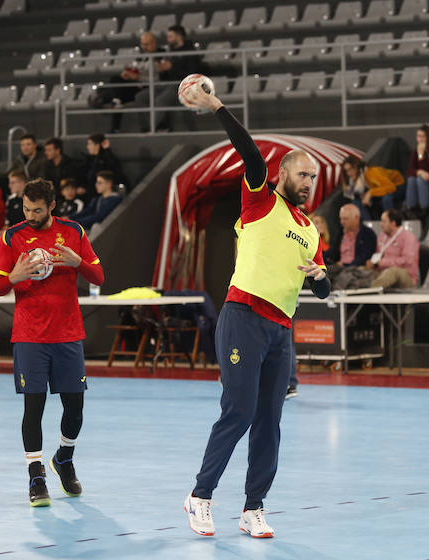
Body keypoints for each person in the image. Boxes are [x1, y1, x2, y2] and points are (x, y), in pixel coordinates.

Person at [180, 83, 330, 539]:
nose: (308, 183)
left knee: (270, 422)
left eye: (312, 178)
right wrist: (217, 106)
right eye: (302, 175)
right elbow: (249, 152)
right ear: (283, 173)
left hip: (280, 330)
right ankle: (200, 496)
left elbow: (323, 290)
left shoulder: (310, 231)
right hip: (243, 317)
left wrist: (321, 279)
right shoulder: (260, 199)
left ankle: (253, 508)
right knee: (238, 411)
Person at [0, 178, 104, 506]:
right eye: (25, 208)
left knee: (75, 408)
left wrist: (76, 262)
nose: (29, 214)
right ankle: (36, 476)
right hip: (30, 336)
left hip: (68, 334)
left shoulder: (74, 232)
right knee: (33, 407)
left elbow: (99, 276)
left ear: (52, 206)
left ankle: (64, 459)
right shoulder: (12, 236)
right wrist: (15, 276)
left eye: (36, 210)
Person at [132, 25, 204, 132]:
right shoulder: (169, 52)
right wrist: (163, 69)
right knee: (140, 97)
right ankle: (146, 128)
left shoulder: (191, 52)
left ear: (179, 37)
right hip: (165, 84)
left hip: (182, 85)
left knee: (161, 99)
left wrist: (172, 67)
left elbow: (192, 72)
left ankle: (151, 130)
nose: (167, 39)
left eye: (170, 36)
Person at [97, 32, 161, 133]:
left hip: (149, 87)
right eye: (142, 44)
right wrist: (128, 74)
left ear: (154, 43)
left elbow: (156, 78)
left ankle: (114, 107)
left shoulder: (161, 55)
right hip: (136, 85)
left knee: (118, 94)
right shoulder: (141, 57)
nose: (144, 47)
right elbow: (136, 70)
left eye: (147, 44)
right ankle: (112, 101)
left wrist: (137, 77)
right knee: (115, 81)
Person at [326, 203, 377, 289]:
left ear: (356, 218)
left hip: (357, 268)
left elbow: (365, 256)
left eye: (345, 219)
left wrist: (345, 265)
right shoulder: (340, 232)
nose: (342, 222)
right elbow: (333, 252)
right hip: (339, 266)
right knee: (322, 272)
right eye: (341, 219)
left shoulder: (368, 234)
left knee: (345, 277)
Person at [366, 209, 419, 289]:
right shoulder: (381, 237)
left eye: (384, 222)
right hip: (383, 272)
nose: (381, 224)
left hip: (406, 275)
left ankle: (369, 291)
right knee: (361, 270)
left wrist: (383, 262)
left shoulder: (408, 237)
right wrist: (373, 263)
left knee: (392, 272)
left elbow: (407, 260)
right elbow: (378, 256)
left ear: (393, 223)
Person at [339, 155, 404, 221]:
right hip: (379, 192)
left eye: (351, 168)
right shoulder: (352, 180)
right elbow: (348, 196)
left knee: (387, 197)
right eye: (346, 171)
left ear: (357, 166)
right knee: (355, 201)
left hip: (398, 185)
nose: (349, 172)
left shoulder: (371, 172)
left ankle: (390, 222)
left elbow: (390, 187)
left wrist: (370, 193)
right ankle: (368, 224)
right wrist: (350, 183)